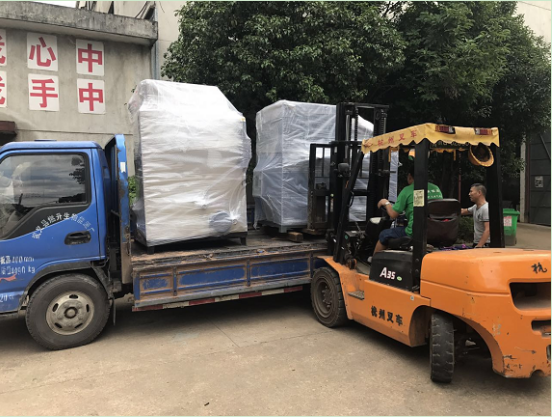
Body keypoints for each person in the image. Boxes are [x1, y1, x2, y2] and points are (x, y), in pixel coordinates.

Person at [372, 165, 442, 256]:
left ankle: (374, 262)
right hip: (436, 230)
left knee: (384, 234)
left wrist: (386, 203)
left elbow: (393, 214)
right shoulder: (436, 189)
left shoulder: (408, 190)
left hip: (415, 232)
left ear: (409, 176)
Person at [461, 183, 490, 248]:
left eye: (471, 191)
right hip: (477, 243)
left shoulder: (486, 209)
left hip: (484, 245)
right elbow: (463, 211)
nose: (469, 194)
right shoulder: (475, 207)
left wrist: (479, 245)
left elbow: (488, 229)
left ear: (479, 193)